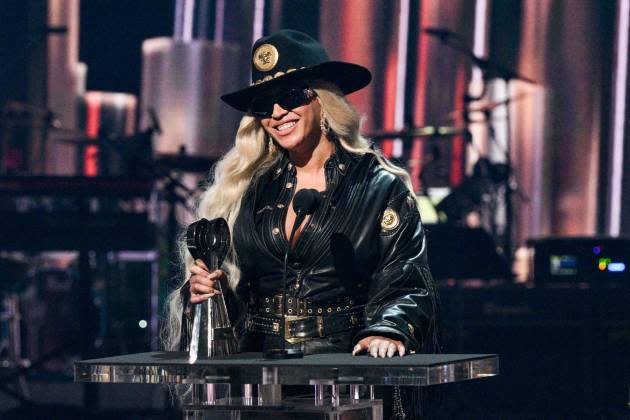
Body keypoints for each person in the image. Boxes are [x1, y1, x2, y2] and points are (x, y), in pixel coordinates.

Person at [164, 29, 437, 363]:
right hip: (257, 372)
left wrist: (387, 329)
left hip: (346, 365)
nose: (277, 112)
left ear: (323, 100)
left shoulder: (379, 187)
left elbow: (407, 281)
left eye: (291, 96)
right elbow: (237, 294)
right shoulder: (247, 186)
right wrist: (208, 294)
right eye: (264, 104)